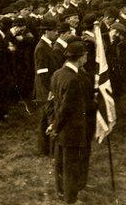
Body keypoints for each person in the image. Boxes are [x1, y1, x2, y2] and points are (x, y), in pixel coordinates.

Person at [49, 41, 93, 204]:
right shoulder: (74, 80)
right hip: (72, 129)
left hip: (61, 129)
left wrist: (53, 125)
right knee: (71, 166)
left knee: (61, 162)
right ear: (80, 58)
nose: (86, 58)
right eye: (85, 55)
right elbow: (66, 109)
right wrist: (56, 126)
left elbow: (53, 103)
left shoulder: (57, 74)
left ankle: (61, 192)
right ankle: (70, 198)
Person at [33, 18, 59, 156]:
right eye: (54, 30)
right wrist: (50, 89)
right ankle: (48, 149)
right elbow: (42, 72)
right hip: (45, 90)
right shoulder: (42, 48)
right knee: (48, 118)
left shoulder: (47, 45)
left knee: (45, 119)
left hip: (46, 89)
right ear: (46, 31)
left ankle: (44, 149)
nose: (56, 33)